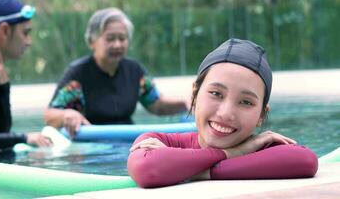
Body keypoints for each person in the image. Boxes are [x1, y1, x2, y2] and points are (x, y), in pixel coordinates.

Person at [127, 38, 318, 188]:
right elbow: (147, 169)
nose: (226, 114)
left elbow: (305, 160)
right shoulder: (159, 139)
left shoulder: (264, 147)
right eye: (216, 93)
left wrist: (198, 172)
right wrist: (236, 152)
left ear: (261, 115)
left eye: (245, 102)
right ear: (195, 94)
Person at [44, 7, 188, 136]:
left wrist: (187, 103)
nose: (117, 44)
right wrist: (66, 114)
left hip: (127, 140)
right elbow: (50, 115)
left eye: (122, 38)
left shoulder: (134, 71)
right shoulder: (78, 74)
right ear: (92, 41)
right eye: (110, 38)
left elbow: (158, 105)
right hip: (91, 144)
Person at [0, 0, 52, 152]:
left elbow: (1, 135)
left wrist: (3, 87)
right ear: (4, 31)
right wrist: (24, 137)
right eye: (25, 33)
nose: (29, 41)